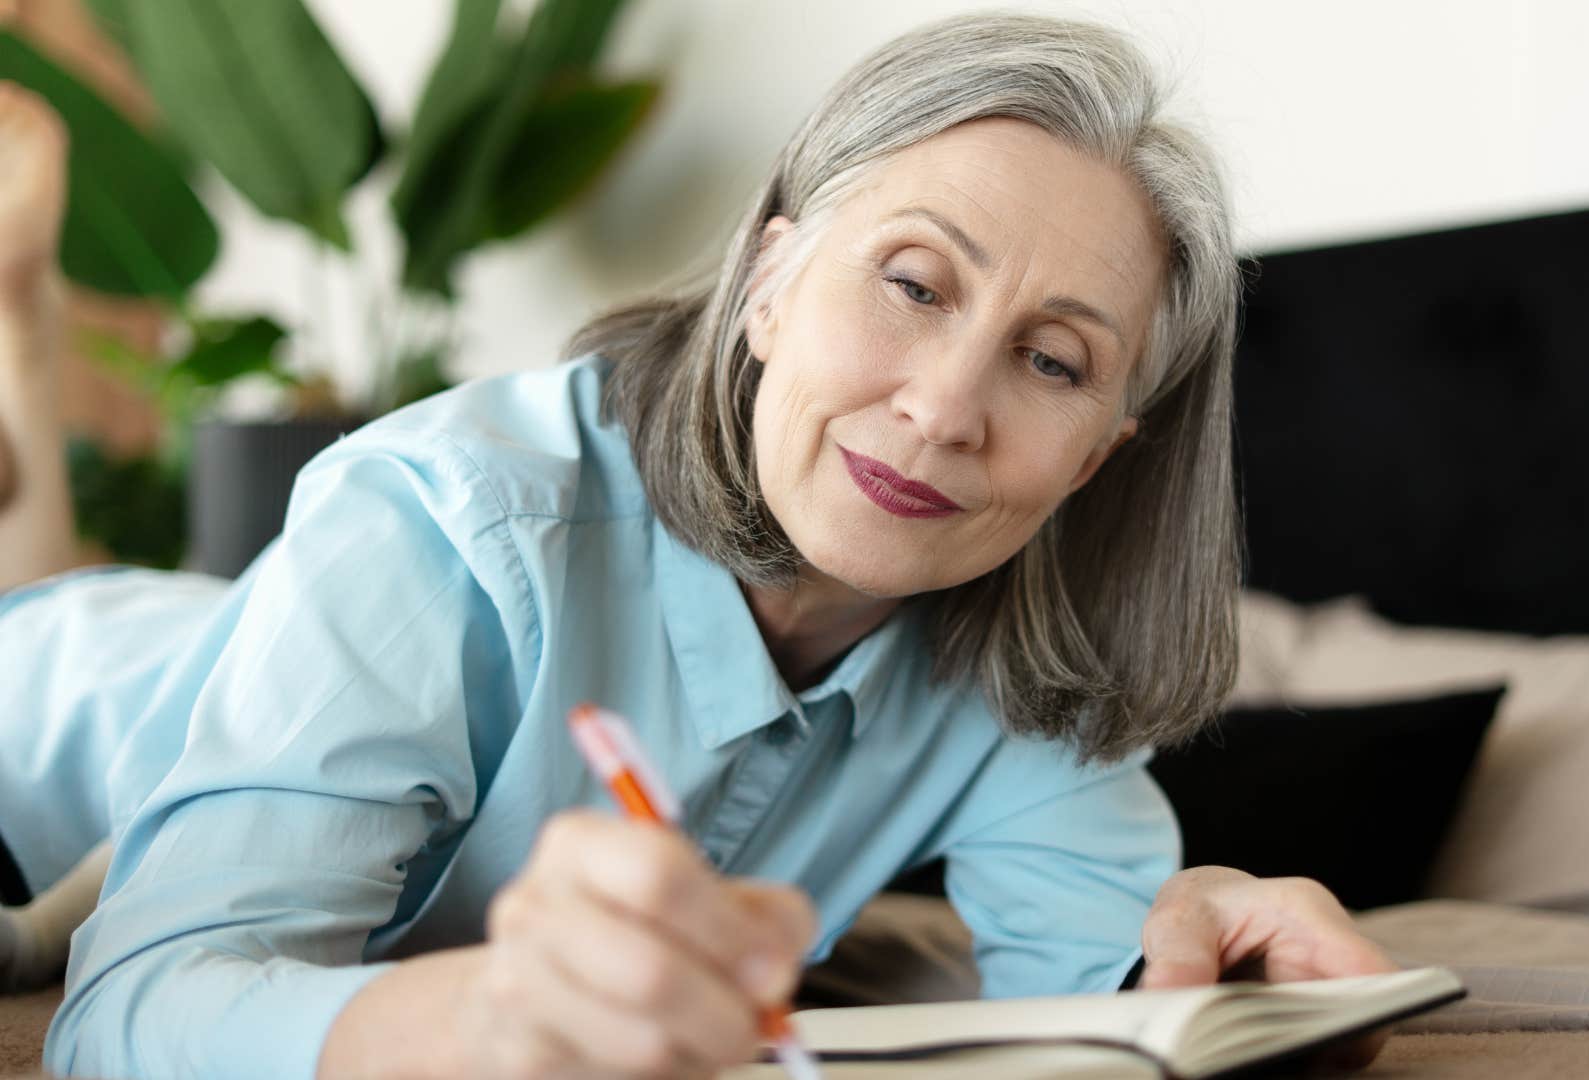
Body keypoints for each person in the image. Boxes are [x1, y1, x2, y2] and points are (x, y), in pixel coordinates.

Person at [0, 14, 1397, 1079]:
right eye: (913, 284)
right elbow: (126, 1018)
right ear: (773, 279)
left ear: (1097, 456)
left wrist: (1217, 954)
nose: (944, 407)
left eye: (1049, 362)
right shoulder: (447, 516)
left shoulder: (1021, 655)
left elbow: (1102, 1004)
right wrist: (492, 1013)